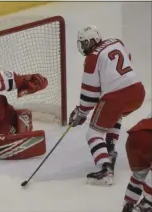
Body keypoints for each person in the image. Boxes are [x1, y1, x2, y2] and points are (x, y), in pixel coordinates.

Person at [69, 25, 145, 186]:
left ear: (92, 41)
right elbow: (127, 58)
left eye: (84, 43)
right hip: (138, 92)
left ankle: (106, 169)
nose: (83, 47)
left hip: (117, 97)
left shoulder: (92, 58)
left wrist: (80, 112)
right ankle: (109, 147)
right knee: (115, 115)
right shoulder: (116, 42)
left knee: (93, 134)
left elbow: (89, 94)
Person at [122, 116, 152, 212]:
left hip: (133, 137)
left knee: (139, 175)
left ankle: (128, 205)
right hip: (148, 137)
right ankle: (147, 203)